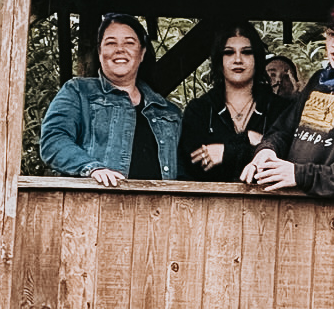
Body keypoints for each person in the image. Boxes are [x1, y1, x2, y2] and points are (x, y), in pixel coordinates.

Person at [241, 0, 334, 197]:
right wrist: (267, 151)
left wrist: (300, 174)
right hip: (291, 209)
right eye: (331, 34)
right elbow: (283, 130)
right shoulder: (319, 81)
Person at [40, 13, 182, 184]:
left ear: (142, 53)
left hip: (159, 209)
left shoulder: (168, 111)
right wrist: (92, 167)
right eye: (110, 43)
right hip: (97, 207)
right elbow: (53, 140)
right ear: (100, 52)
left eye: (129, 43)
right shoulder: (78, 91)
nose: (120, 49)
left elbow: (187, 169)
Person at [179, 24, 291, 181]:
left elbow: (286, 160)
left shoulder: (280, 109)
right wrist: (253, 141)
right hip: (209, 203)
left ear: (257, 59)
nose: (238, 59)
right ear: (220, 60)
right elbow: (195, 166)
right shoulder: (200, 110)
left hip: (271, 204)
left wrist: (227, 151)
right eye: (229, 52)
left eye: (246, 52)